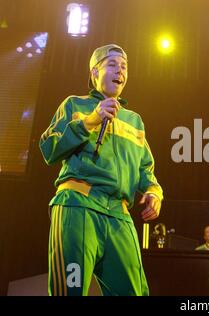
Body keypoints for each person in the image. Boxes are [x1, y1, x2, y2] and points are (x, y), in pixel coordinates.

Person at [39, 44, 163, 296]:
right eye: (113, 64)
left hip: (120, 215)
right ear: (95, 73)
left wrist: (153, 192)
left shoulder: (134, 120)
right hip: (78, 206)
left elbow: (145, 170)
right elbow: (49, 148)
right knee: (69, 291)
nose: (120, 71)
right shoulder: (75, 105)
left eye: (125, 66)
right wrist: (91, 120)